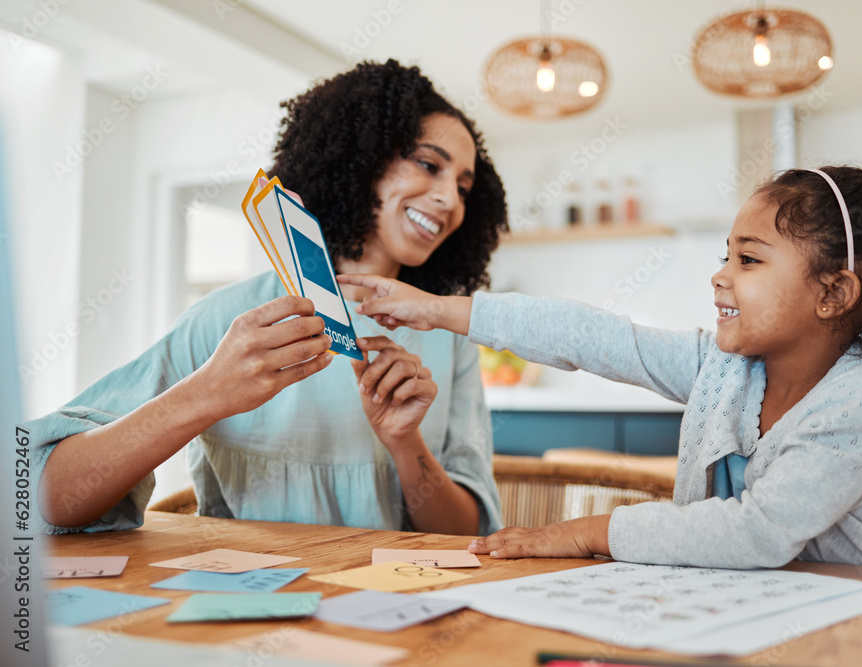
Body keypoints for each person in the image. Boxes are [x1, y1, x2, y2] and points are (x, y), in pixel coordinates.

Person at [338, 165, 862, 570]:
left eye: (749, 259)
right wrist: (439, 310)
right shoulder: (724, 366)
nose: (720, 276)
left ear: (834, 293)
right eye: (726, 255)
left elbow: (756, 531)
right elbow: (593, 336)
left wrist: (584, 533)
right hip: (762, 616)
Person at [31, 59, 508, 537]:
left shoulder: (450, 340)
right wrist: (205, 395)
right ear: (361, 157)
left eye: (464, 188)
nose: (450, 200)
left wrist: (406, 445)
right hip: (246, 604)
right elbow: (43, 494)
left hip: (397, 603)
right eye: (429, 165)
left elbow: (469, 533)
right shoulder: (228, 322)